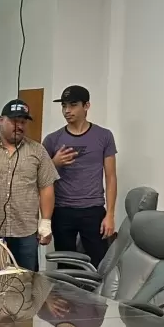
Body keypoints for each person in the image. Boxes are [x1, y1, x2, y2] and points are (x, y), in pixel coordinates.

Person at [0, 99, 59, 271]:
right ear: (1, 120)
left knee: (26, 281)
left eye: (23, 122)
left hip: (25, 232)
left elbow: (46, 187)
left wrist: (46, 222)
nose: (19, 126)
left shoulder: (38, 151)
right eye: (14, 121)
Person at [43, 85, 118, 267]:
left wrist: (110, 214)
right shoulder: (52, 139)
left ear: (86, 106)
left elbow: (111, 177)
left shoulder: (104, 136)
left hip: (93, 209)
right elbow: (40, 177)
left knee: (98, 264)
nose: (67, 111)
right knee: (65, 265)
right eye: (64, 106)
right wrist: (54, 163)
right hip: (62, 210)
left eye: (73, 105)